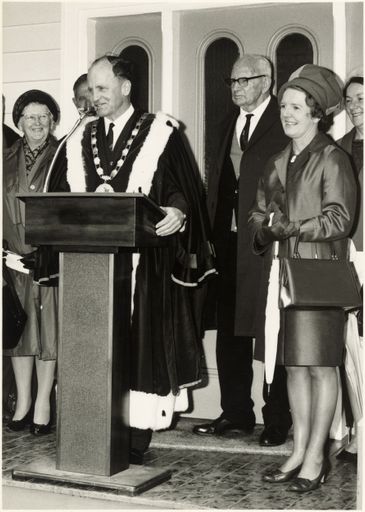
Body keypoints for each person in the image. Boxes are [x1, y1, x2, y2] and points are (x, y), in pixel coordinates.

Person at [45, 55, 215, 464]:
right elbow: (61, 196)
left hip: (145, 267)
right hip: (91, 268)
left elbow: (180, 188)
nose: (94, 97)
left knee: (138, 347)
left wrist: (177, 212)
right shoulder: (78, 139)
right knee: (96, 345)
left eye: (102, 88)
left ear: (125, 87)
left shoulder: (160, 132)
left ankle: (135, 436)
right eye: (91, 88)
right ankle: (93, 426)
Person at [249, 64, 357, 492]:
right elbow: (258, 215)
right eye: (283, 106)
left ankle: (317, 456)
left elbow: (341, 219)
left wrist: (293, 227)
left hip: (320, 274)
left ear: (316, 113)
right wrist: (266, 227)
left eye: (296, 106)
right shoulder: (278, 160)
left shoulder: (332, 157)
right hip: (286, 275)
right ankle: (298, 449)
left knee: (321, 368)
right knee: (294, 366)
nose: (286, 113)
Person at [193, 54, 291, 447]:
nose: (236, 88)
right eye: (232, 81)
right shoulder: (225, 124)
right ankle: (236, 412)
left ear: (266, 81)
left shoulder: (284, 123)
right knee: (231, 331)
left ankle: (277, 418)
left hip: (267, 243)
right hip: (228, 245)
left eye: (244, 80)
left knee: (271, 330)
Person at [3, 90, 60, 436]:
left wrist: (50, 249)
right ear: (19, 121)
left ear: (53, 121)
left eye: (44, 117)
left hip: (47, 258)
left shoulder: (63, 154)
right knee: (18, 332)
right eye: (30, 116)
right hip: (11, 257)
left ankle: (43, 404)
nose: (37, 123)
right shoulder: (5, 156)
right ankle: (22, 402)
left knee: (48, 331)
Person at [336, 72, 363, 464]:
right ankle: (359, 424)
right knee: (349, 345)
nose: (356, 106)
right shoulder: (339, 149)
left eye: (363, 98)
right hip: (346, 256)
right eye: (351, 100)